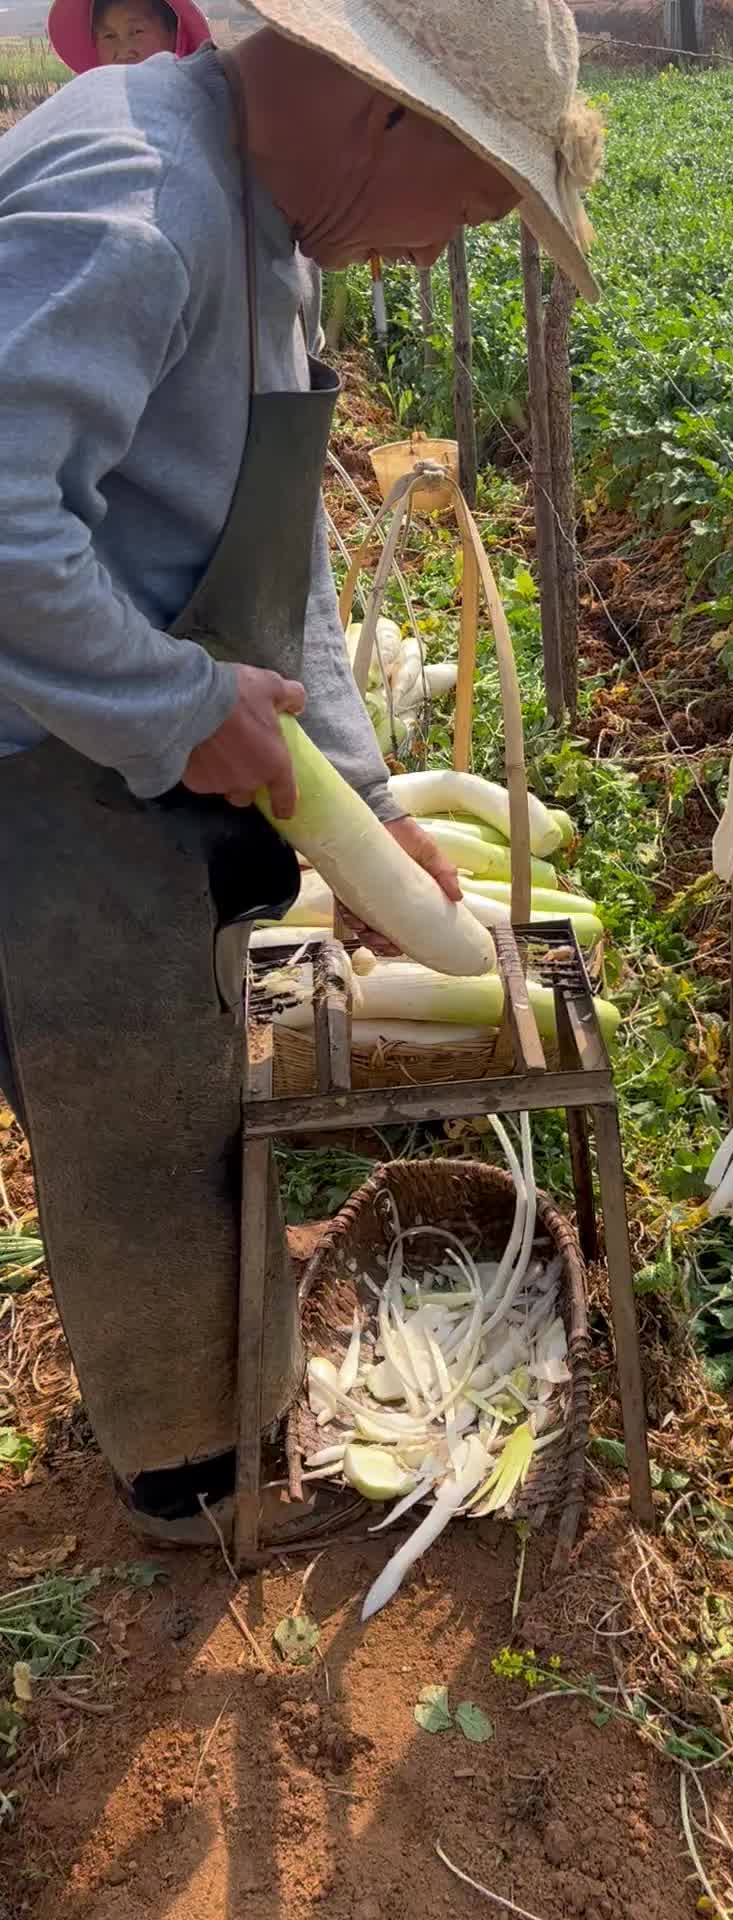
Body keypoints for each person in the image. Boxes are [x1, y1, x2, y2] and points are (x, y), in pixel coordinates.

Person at [0, 0, 602, 1544]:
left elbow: (283, 579)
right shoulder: (143, 194)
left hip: (113, 776)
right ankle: (193, 1481)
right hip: (42, 800)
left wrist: (371, 797)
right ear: (382, 112)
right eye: (460, 210)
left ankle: (208, 1409)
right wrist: (176, 704)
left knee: (176, 1115)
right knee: (139, 1134)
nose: (425, 253)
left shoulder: (264, 233)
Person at [47, 0, 211, 72]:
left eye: (137, 32)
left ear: (174, 35)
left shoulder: (198, 103)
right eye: (109, 36)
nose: (124, 51)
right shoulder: (93, 109)